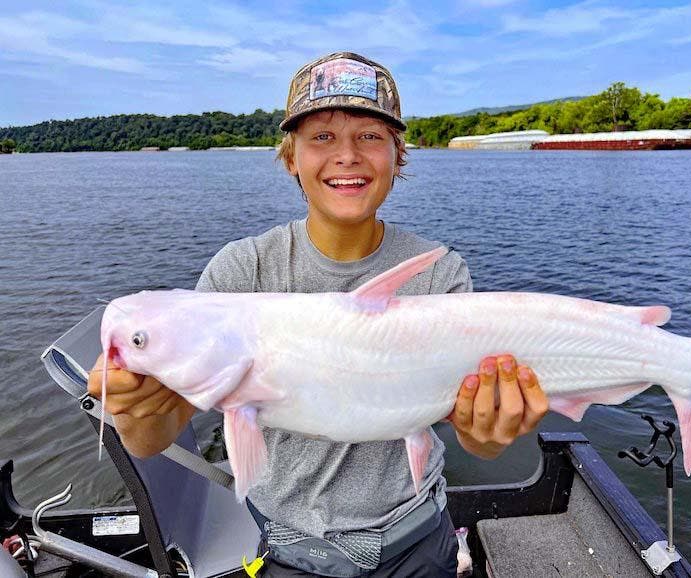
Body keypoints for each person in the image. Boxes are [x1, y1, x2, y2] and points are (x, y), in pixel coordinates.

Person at [88, 51, 549, 577]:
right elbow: (151, 439)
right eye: (322, 137)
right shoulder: (242, 272)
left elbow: (473, 435)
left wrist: (488, 430)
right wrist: (131, 408)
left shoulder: (439, 274)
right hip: (287, 550)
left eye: (371, 137)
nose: (347, 155)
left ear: (399, 157)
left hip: (417, 539)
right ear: (291, 158)